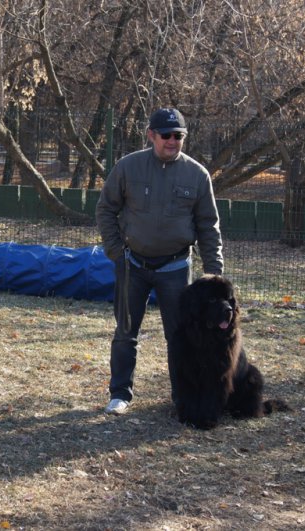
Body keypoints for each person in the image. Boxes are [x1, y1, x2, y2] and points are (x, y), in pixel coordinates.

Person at [96, 107, 224, 415]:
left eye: (178, 136)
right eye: (166, 135)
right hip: (132, 265)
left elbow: (208, 225)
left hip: (176, 268)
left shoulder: (197, 175)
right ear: (151, 135)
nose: (172, 141)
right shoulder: (128, 167)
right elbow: (106, 209)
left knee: (180, 335)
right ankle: (120, 394)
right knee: (125, 331)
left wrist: (214, 272)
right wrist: (117, 252)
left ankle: (182, 396)